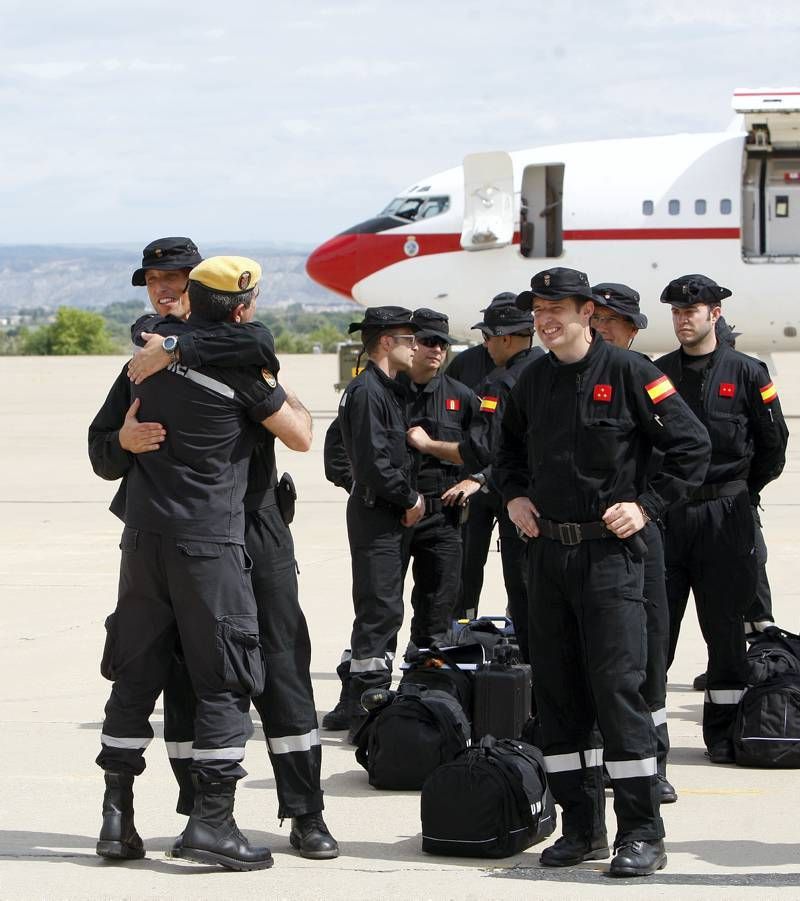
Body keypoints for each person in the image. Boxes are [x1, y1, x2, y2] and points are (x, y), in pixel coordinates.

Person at [89, 240, 337, 859]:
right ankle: (200, 815)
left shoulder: (231, 347)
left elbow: (265, 369)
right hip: (193, 533)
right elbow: (101, 453)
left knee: (277, 666)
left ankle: (306, 814)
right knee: (184, 674)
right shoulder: (145, 360)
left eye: (174, 280)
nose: (163, 291)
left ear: (198, 290)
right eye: (152, 282)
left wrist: (181, 347)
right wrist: (123, 438)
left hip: (252, 527)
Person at [496, 267, 710, 877]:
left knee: (618, 694)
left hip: (614, 561)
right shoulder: (530, 380)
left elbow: (690, 446)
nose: (544, 319)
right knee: (559, 695)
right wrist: (513, 496)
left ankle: (642, 832)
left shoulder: (631, 372)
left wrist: (646, 505)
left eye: (556, 308)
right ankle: (580, 828)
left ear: (587, 312)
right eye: (537, 309)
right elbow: (505, 451)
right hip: (549, 558)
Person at [655, 274, 788, 762]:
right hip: (671, 515)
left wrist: (741, 494)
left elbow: (773, 447)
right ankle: (652, 742)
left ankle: (725, 737)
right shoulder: (658, 372)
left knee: (727, 632)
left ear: (715, 314)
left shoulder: (748, 372)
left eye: (693, 311)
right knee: (656, 632)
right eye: (676, 311)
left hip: (727, 516)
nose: (683, 318)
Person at [590, 283, 676, 803]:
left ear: (633, 328)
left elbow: (684, 450)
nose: (601, 327)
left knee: (646, 652)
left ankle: (653, 761)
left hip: (638, 538)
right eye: (595, 318)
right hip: (579, 545)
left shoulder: (645, 376)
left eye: (612, 321)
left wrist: (646, 506)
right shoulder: (564, 376)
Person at [336, 306, 424, 740]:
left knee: (381, 608)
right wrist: (409, 497)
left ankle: (358, 701)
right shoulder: (369, 391)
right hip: (378, 511)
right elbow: (373, 463)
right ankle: (366, 711)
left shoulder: (387, 389)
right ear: (387, 343)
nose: (416, 347)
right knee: (380, 611)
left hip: (384, 511)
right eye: (409, 340)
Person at [446, 293, 543, 661]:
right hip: (517, 491)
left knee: (520, 575)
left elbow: (491, 444)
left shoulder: (501, 381)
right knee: (471, 567)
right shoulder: (547, 370)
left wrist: (477, 475)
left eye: (488, 335)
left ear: (505, 337)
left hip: (502, 489)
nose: (484, 343)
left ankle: (520, 646)